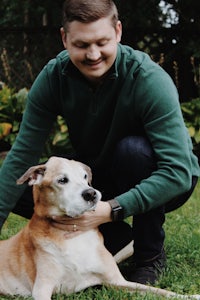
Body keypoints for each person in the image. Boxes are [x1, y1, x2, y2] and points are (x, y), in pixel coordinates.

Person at [0, 0, 199, 285]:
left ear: (118, 32)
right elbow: (20, 158)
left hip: (154, 173)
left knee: (134, 151)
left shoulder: (148, 79)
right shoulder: (54, 77)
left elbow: (177, 171)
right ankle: (117, 237)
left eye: (102, 42)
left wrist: (110, 210)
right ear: (64, 38)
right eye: (81, 45)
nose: (93, 54)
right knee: (24, 181)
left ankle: (148, 255)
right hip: (96, 175)